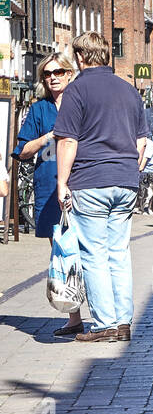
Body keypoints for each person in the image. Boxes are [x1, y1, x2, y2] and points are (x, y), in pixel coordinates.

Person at [54, 32, 150, 344]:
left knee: (93, 253)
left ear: (80, 57)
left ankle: (104, 324)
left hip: (90, 180)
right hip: (125, 181)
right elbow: (142, 142)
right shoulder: (128, 89)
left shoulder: (76, 90)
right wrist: (128, 170)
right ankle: (123, 322)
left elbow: (68, 140)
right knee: (118, 253)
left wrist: (61, 182)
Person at [12, 51, 81, 335]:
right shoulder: (39, 110)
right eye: (47, 74)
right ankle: (74, 316)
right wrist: (46, 137)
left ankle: (104, 316)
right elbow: (22, 151)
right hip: (49, 187)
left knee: (87, 250)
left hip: (80, 183)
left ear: (69, 74)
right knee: (61, 252)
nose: (52, 78)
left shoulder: (80, 104)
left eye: (58, 72)